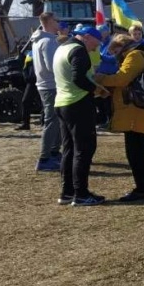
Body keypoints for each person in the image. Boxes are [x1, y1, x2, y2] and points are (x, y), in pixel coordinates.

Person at [95, 34, 144, 201]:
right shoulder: (142, 54)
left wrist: (99, 78)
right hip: (138, 109)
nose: (114, 54)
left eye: (114, 50)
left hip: (135, 110)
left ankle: (142, 189)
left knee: (135, 152)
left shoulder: (134, 56)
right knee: (138, 151)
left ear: (122, 46)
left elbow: (122, 79)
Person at [52, 26, 109, 206]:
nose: (96, 48)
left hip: (61, 102)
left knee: (69, 149)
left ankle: (67, 192)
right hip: (78, 103)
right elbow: (78, 78)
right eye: (95, 43)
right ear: (86, 37)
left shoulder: (62, 48)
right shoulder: (79, 50)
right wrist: (97, 89)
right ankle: (81, 194)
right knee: (84, 149)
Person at [31, 12, 62, 170]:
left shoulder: (38, 40)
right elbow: (53, 66)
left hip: (45, 85)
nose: (59, 23)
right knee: (51, 121)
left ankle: (54, 152)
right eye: (57, 20)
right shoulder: (48, 41)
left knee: (55, 120)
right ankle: (44, 159)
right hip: (51, 85)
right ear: (50, 21)